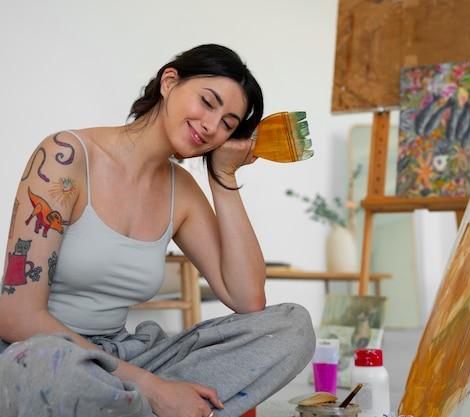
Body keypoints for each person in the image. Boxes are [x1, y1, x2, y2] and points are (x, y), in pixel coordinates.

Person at [0, 44, 315, 417]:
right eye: (208, 101)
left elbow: (247, 299)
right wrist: (152, 387)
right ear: (169, 82)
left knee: (293, 328)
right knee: (51, 369)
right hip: (40, 351)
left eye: (228, 123)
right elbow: (15, 315)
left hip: (125, 355)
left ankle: (136, 406)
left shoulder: (181, 191)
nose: (212, 126)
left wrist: (224, 176)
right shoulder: (65, 156)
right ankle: (153, 405)